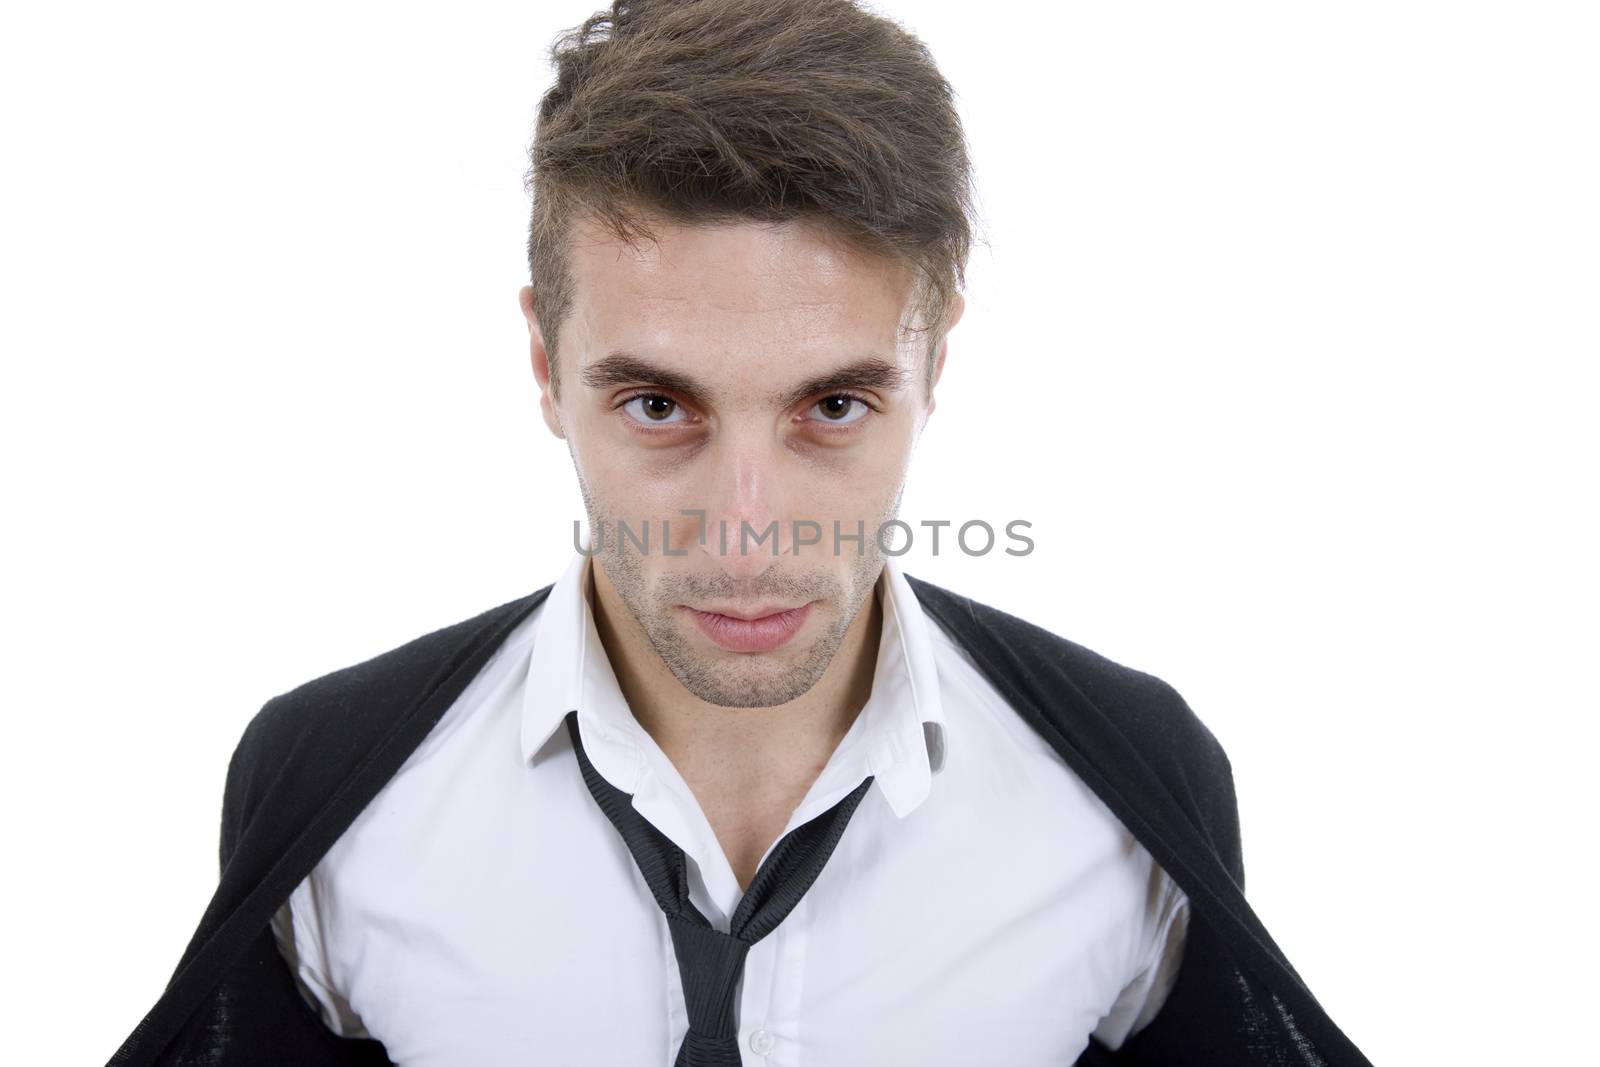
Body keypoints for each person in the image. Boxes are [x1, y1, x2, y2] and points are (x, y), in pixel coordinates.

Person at [111, 1, 1373, 1064]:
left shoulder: (1128, 792)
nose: (748, 528)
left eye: (833, 404)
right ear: (545, 367)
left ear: (934, 367)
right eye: (657, 404)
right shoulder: (336, 790)